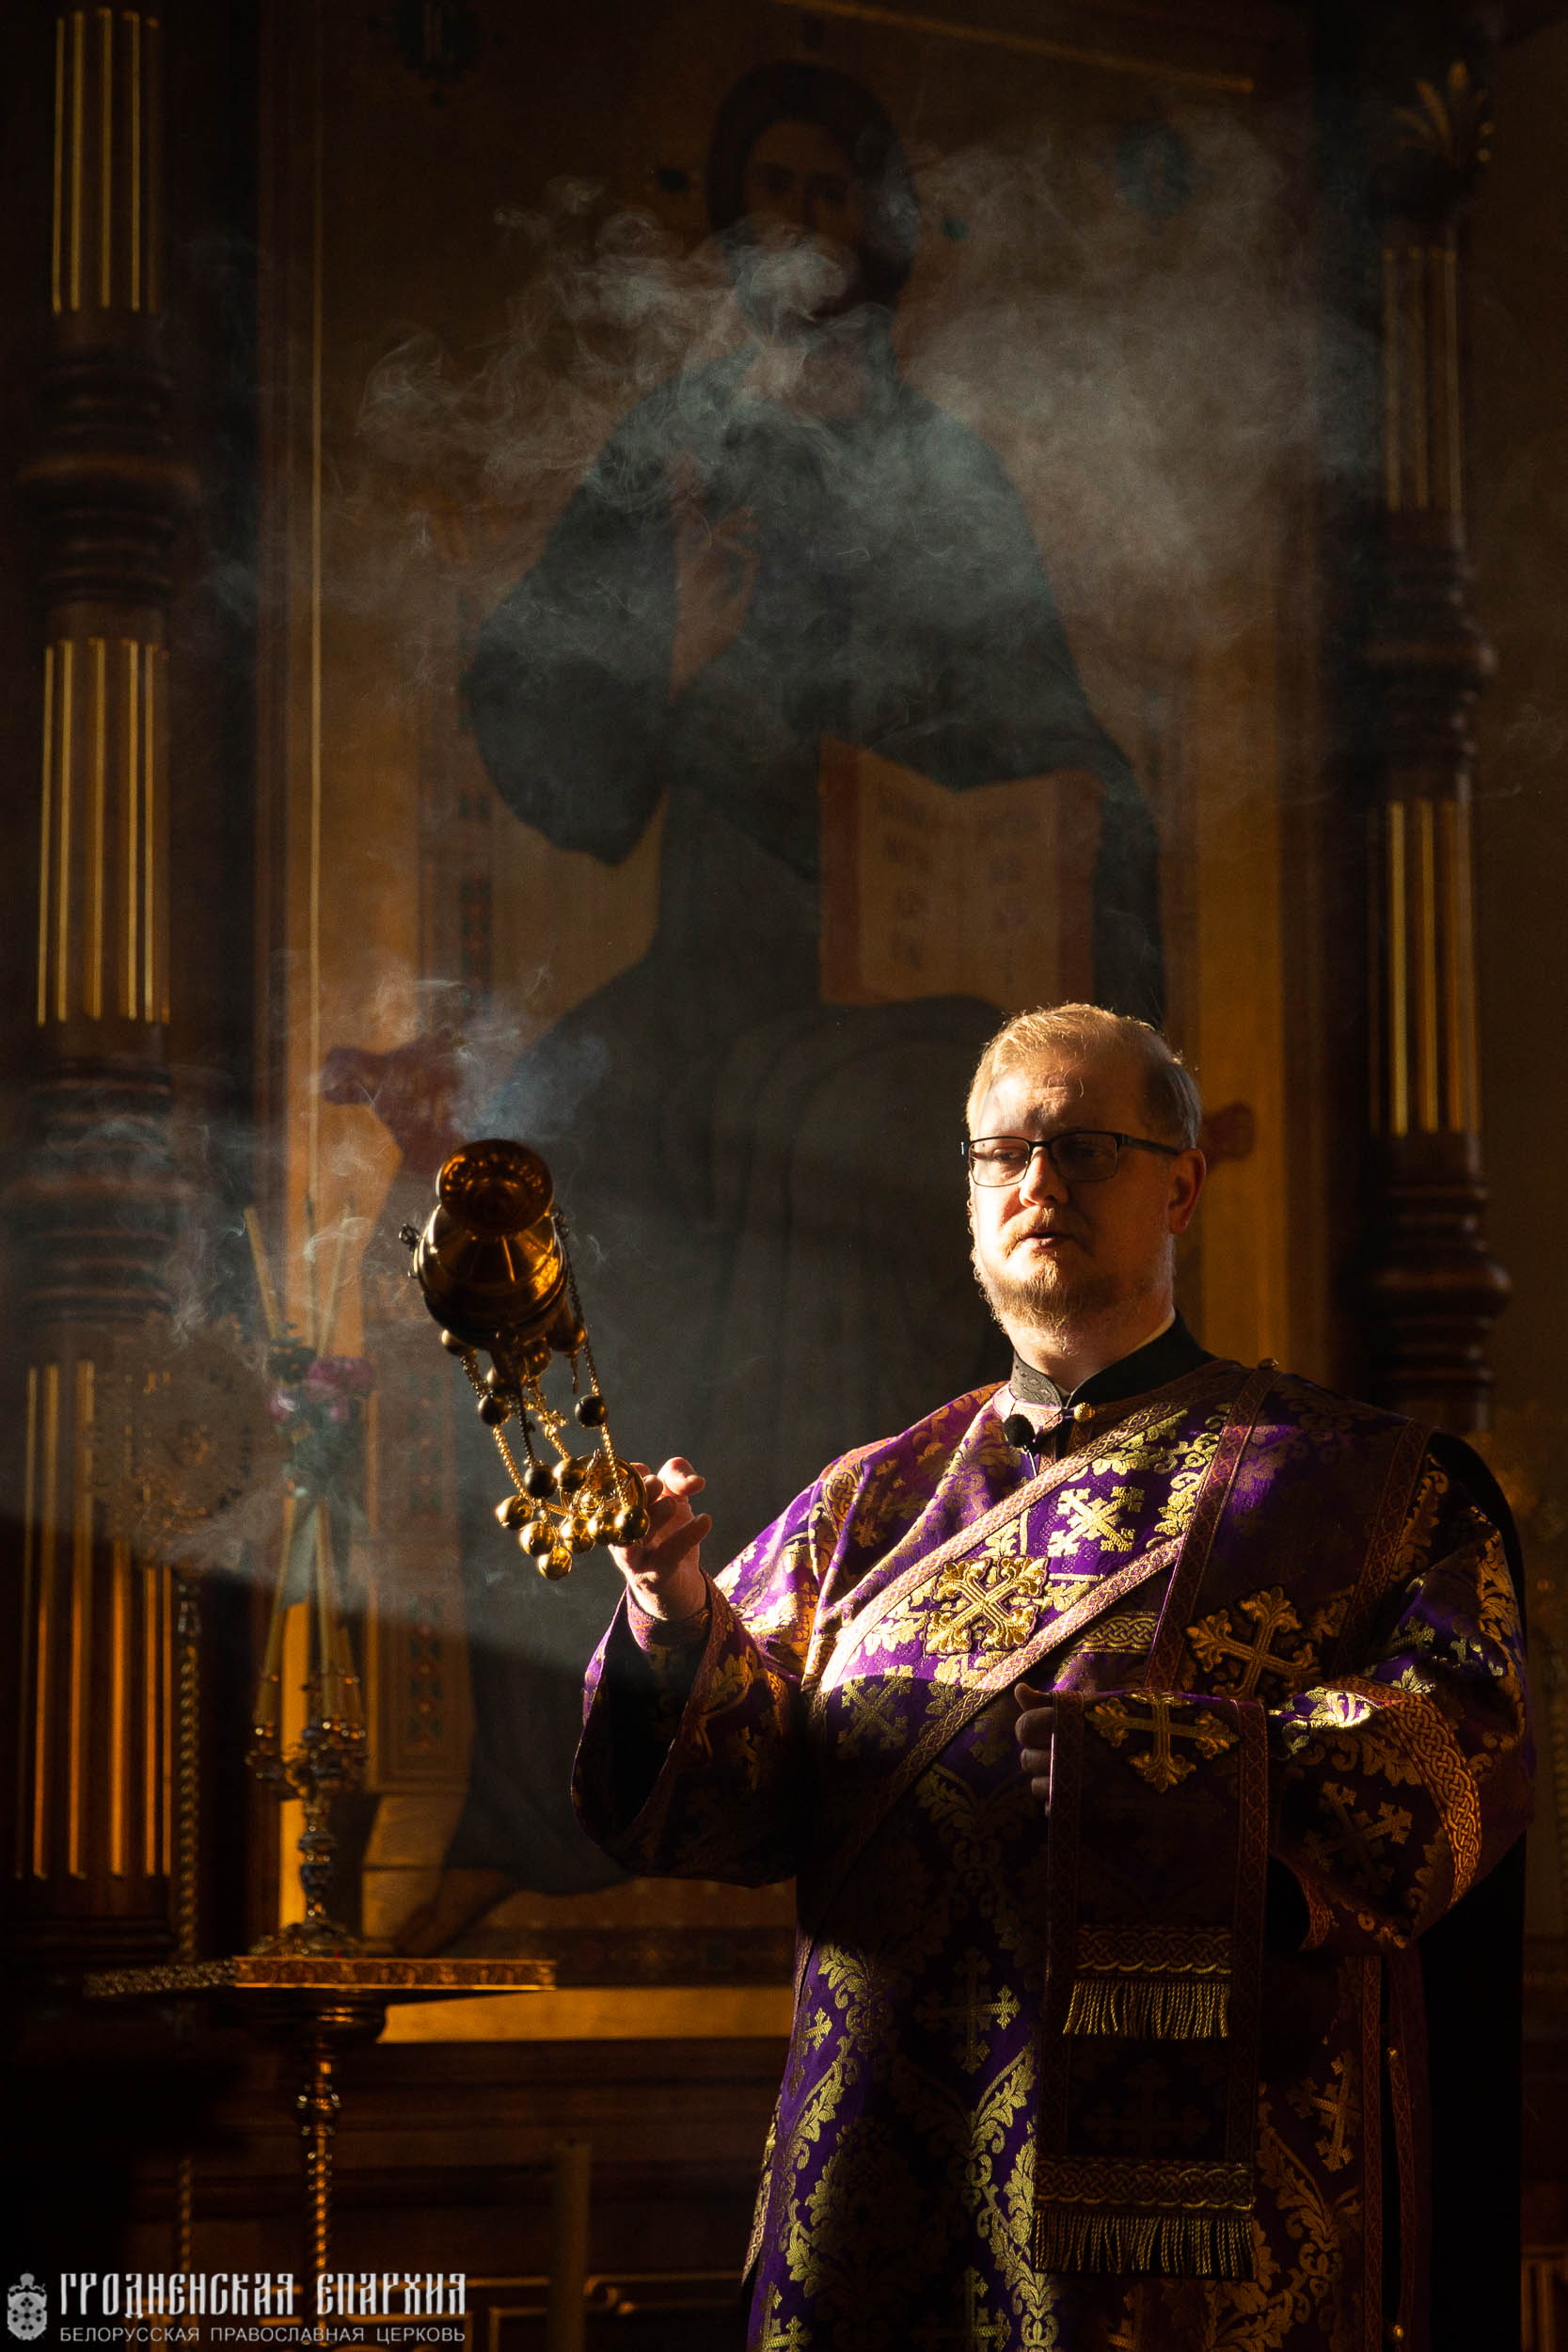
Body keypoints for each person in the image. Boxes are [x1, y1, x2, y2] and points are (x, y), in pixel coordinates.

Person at [428, 61, 1162, 1913]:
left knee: (828, 1141)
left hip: (916, 989)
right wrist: (664, 654)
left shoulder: (948, 476)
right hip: (715, 962)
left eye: (836, 192)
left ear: (882, 230)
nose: (805, 227)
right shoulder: (674, 447)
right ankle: (557, 1803)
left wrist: (1024, 815)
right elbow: (535, 712)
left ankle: (851, 1776)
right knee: (503, 1187)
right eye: (774, 189)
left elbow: (1066, 751)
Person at [573, 1002, 1533, 2352]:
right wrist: (671, 1610)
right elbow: (716, 1808)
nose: (1037, 1182)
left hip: (1205, 2221)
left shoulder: (1362, 1487)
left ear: (1180, 1186)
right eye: (1001, 1154)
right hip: (883, 2183)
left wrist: (1157, 1772)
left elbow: (1453, 1758)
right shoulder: (867, 1503)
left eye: (1084, 1148)